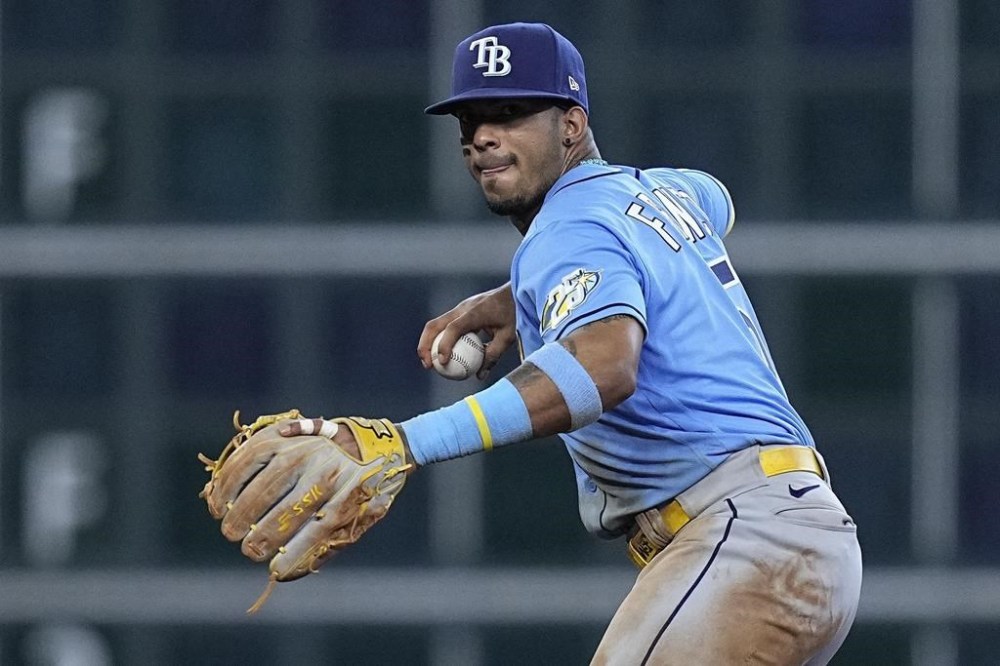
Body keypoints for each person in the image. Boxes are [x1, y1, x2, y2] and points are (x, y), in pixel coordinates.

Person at [213, 21, 862, 664]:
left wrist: (409, 441)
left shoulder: (564, 229)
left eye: (511, 112)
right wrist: (518, 300)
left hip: (742, 541)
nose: (483, 137)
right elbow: (716, 200)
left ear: (572, 125)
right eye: (470, 120)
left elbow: (604, 368)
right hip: (792, 534)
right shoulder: (659, 191)